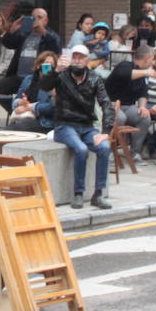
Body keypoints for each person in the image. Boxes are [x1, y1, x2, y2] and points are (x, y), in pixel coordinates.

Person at [39, 45, 115, 210]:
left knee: (104, 147)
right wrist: (56, 70)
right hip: (64, 125)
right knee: (81, 149)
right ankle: (78, 193)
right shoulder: (61, 75)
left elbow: (106, 104)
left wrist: (106, 132)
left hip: (87, 126)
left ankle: (98, 194)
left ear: (87, 60)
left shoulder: (95, 79)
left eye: (81, 57)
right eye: (75, 57)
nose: (77, 61)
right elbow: (44, 85)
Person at [0, 7, 62, 97]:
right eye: (33, 18)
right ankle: (12, 109)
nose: (36, 20)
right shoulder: (24, 34)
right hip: (19, 76)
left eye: (39, 17)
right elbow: (8, 44)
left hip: (37, 77)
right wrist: (12, 30)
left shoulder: (50, 36)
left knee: (34, 95)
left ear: (46, 21)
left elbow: (56, 46)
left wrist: (43, 31)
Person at [107, 46, 155, 158]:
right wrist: (147, 72)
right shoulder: (124, 65)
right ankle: (108, 151)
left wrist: (143, 107)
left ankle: (135, 152)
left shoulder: (141, 75)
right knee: (120, 118)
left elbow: (143, 93)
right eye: (152, 59)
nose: (152, 63)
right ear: (147, 58)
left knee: (144, 117)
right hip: (111, 105)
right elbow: (123, 74)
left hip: (128, 107)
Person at [8, 50, 59, 133]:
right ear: (38, 65)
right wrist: (20, 102)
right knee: (14, 126)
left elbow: (52, 108)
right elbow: (15, 100)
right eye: (46, 63)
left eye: (52, 65)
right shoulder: (28, 79)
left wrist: (30, 107)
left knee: (18, 127)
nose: (49, 67)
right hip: (25, 117)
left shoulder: (55, 82)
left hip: (43, 122)